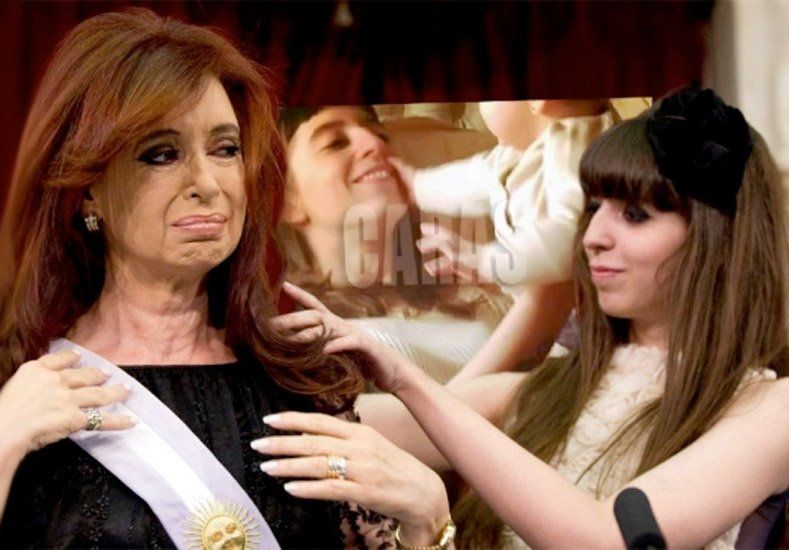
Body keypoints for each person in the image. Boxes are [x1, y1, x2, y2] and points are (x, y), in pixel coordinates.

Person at [0, 9, 451, 548]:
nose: (208, 183)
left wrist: (429, 525)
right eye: (161, 154)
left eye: (225, 149)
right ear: (88, 187)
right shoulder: (18, 385)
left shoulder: (299, 383)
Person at [272, 87, 789, 548]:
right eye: (592, 209)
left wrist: (406, 380)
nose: (593, 237)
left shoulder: (770, 409)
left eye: (634, 214)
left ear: (715, 236)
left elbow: (607, 539)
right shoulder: (553, 386)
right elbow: (365, 424)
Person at [278, 105, 515, 383]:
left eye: (380, 134)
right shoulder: (301, 336)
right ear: (288, 202)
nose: (375, 143)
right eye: (335, 143)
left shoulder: (474, 294)